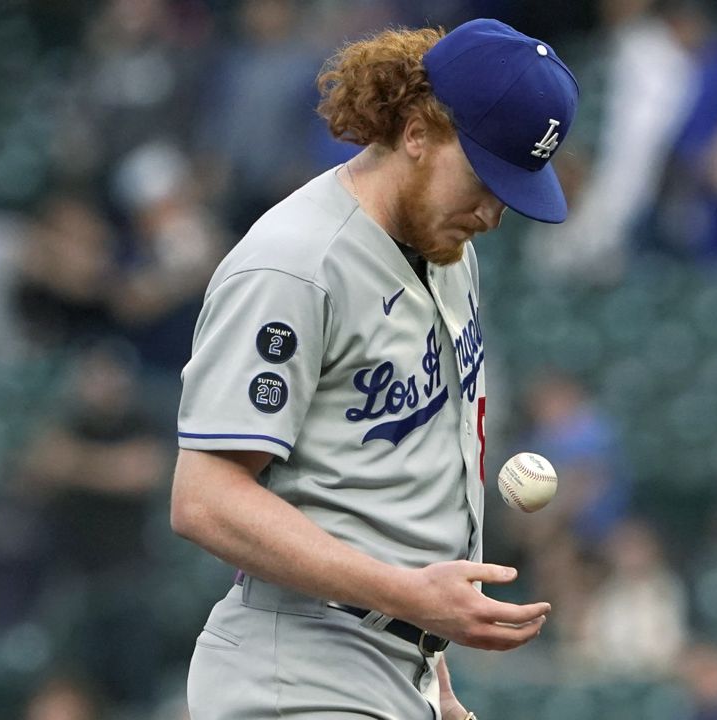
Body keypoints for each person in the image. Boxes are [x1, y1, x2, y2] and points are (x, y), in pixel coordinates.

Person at [170, 18, 578, 720]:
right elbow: (203, 498)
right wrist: (408, 599)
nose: (492, 212)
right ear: (418, 131)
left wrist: (432, 668)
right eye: (484, 175)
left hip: (390, 667)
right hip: (298, 671)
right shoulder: (295, 266)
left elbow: (402, 479)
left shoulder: (447, 248)